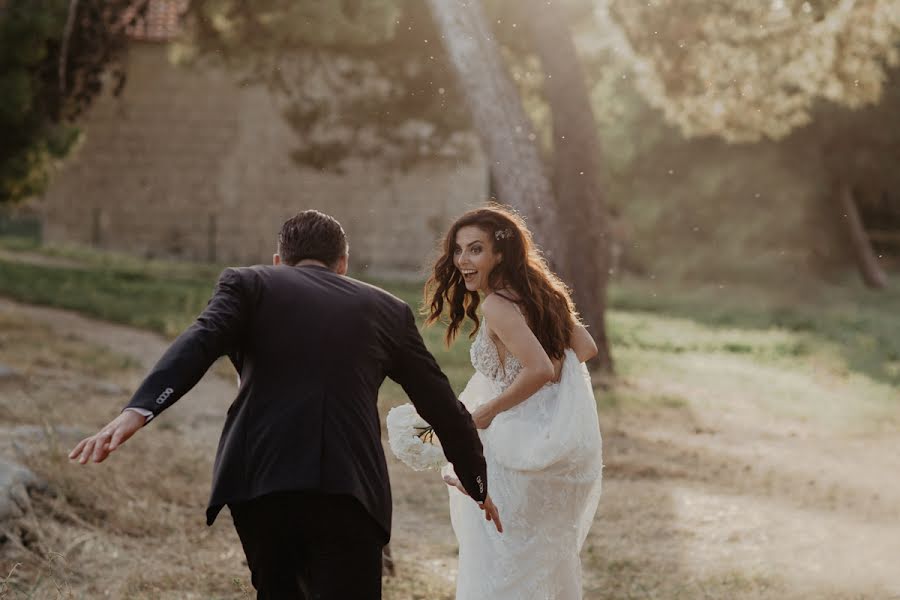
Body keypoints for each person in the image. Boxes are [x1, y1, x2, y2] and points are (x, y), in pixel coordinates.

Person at [69, 209, 501, 599]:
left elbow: (198, 343)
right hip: (348, 489)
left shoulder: (248, 283)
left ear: (279, 260)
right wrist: (477, 482)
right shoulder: (388, 309)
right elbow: (440, 402)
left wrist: (138, 411)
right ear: (343, 264)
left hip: (259, 481)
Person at [424, 204, 603, 599]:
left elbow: (538, 369)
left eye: (475, 250)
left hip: (513, 444)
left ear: (500, 254)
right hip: (546, 440)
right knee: (534, 561)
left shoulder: (497, 304)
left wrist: (487, 410)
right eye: (458, 250)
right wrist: (550, 365)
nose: (462, 260)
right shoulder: (542, 294)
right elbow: (585, 348)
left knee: (500, 561)